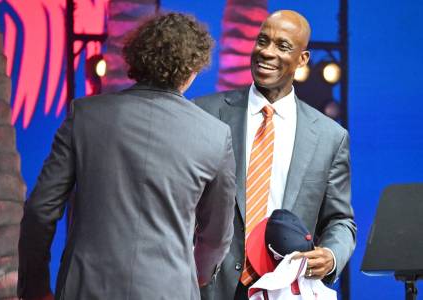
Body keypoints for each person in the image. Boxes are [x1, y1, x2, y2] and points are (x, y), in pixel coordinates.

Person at [18, 13, 236, 300]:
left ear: (137, 58)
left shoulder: (85, 116)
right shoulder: (215, 135)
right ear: (194, 67)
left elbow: (40, 209)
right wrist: (196, 275)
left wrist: (34, 286)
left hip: (85, 288)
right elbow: (217, 234)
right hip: (170, 290)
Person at [194, 10, 356, 300]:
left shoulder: (330, 137)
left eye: (282, 46)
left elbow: (340, 220)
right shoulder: (205, 114)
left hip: (284, 288)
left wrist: (331, 255)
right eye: (262, 41)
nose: (267, 53)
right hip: (207, 287)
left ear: (303, 59)